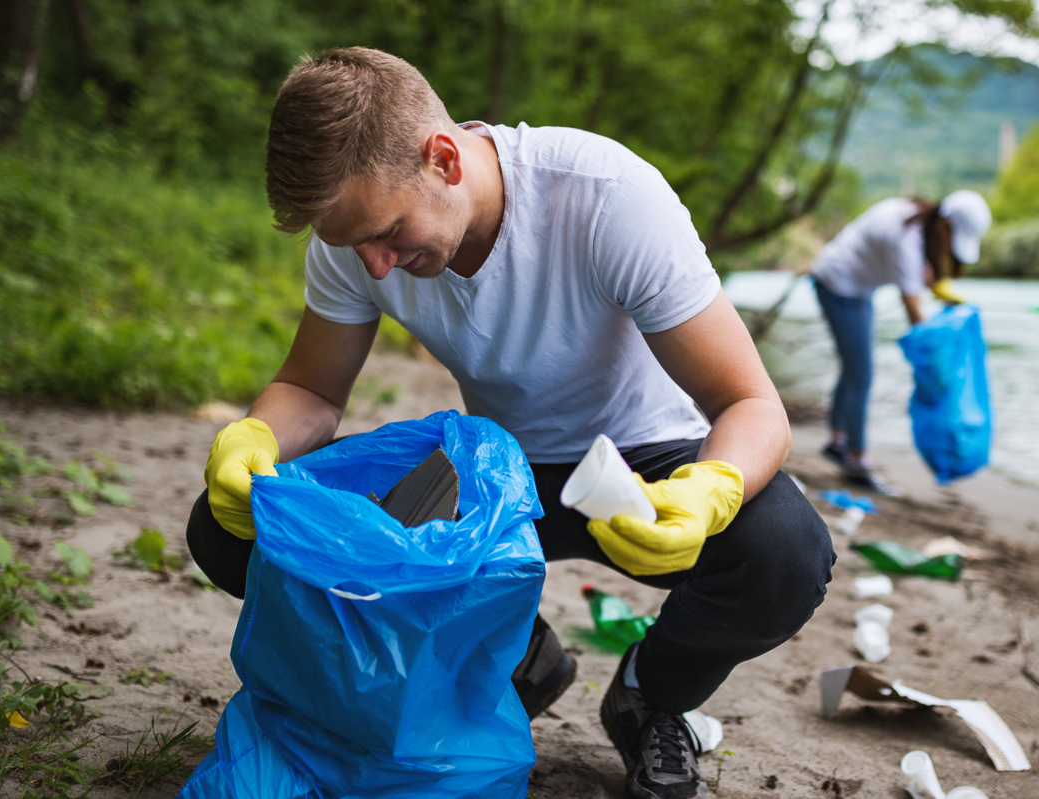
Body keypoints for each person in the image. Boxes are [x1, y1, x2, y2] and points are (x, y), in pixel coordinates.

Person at [186, 48, 833, 799]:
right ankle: (515, 657)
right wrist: (254, 437)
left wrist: (709, 489)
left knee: (786, 553)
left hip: (644, 465)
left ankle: (651, 696)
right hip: (497, 476)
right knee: (231, 530)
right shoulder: (358, 241)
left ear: (443, 158)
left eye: (388, 232)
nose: (376, 266)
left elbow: (752, 404)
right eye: (352, 244)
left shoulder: (607, 197)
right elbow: (311, 388)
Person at [810, 191, 991, 495]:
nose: (949, 248)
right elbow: (914, 311)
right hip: (838, 284)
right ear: (943, 224)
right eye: (952, 240)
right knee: (861, 374)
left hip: (856, 287)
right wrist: (936, 360)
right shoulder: (905, 237)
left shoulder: (916, 220)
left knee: (853, 367)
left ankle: (838, 441)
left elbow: (922, 276)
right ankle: (856, 461)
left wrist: (944, 293)